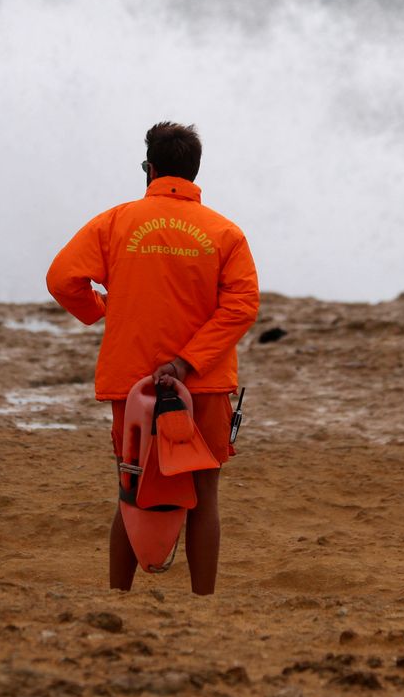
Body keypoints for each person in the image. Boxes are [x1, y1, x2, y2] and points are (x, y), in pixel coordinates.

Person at [45, 121, 260, 595]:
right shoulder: (225, 233)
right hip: (201, 383)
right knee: (203, 498)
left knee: (132, 487)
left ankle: (118, 598)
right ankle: (203, 602)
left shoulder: (116, 222)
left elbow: (62, 279)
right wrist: (186, 363)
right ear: (194, 172)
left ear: (151, 169)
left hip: (135, 381)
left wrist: (98, 309)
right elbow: (242, 306)